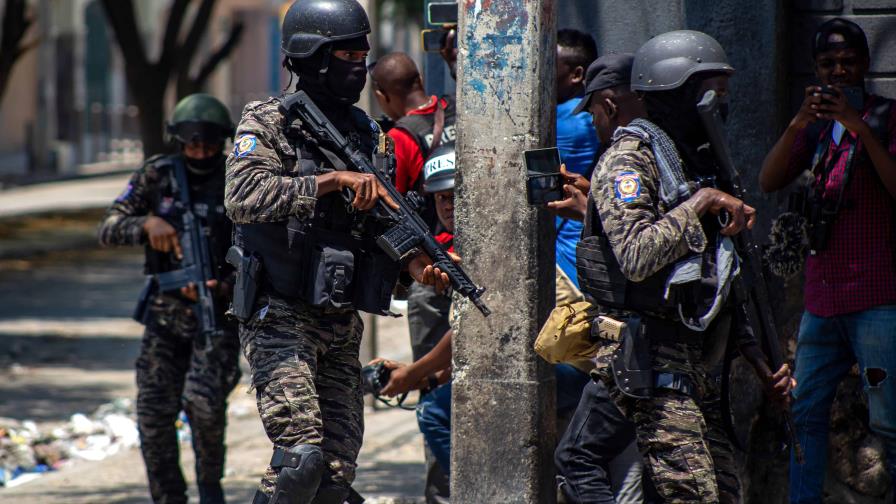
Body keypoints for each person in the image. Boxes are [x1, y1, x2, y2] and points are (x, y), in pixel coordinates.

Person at [224, 1, 449, 502]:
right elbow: (243, 197)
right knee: (299, 459)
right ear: (312, 57)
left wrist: (415, 264)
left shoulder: (370, 134)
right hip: (278, 312)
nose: (358, 67)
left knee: (333, 475)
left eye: (362, 55)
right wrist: (331, 181)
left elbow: (379, 225)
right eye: (347, 54)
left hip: (339, 320)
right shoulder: (269, 120)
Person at [585, 31, 795, 503]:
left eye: (724, 95)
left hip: (703, 364)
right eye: (710, 95)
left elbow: (726, 281)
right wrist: (701, 204)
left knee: (723, 493)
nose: (720, 107)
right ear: (675, 94)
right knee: (691, 494)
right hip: (654, 359)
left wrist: (764, 365)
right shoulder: (630, 160)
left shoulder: (695, 163)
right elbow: (636, 256)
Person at [371, 143, 590, 483]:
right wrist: (424, 375)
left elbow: (474, 333)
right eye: (440, 197)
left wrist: (414, 373)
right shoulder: (467, 242)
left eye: (455, 194)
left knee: (433, 413)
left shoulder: (493, 242)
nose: (447, 205)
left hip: (570, 368)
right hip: (549, 363)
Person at [758, 18, 896, 503]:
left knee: (889, 421)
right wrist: (799, 121)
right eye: (828, 64)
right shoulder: (815, 129)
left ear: (865, 64)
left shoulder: (887, 117)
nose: (839, 72)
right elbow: (769, 180)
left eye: (848, 62)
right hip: (822, 301)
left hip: (878, 298)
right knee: (804, 413)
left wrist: (858, 126)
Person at [97, 93, 241, 504]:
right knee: (153, 416)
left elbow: (264, 247)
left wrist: (228, 283)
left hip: (216, 318)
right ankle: (168, 496)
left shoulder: (238, 178)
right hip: (165, 318)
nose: (199, 152)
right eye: (192, 144)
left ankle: (211, 490)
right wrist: (147, 224)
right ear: (178, 140)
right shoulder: (157, 176)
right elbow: (109, 226)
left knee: (205, 407)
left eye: (209, 145)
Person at [552, 53, 657, 504]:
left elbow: (636, 253)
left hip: (642, 337)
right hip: (651, 339)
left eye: (593, 110)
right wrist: (591, 206)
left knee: (578, 458)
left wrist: (594, 208)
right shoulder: (662, 147)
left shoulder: (624, 158)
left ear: (609, 107)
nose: (592, 123)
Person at [555, 29, 600, 305]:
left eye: (550, 65)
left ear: (576, 74)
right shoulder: (590, 116)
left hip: (563, 266)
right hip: (584, 257)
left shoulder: (565, 121)